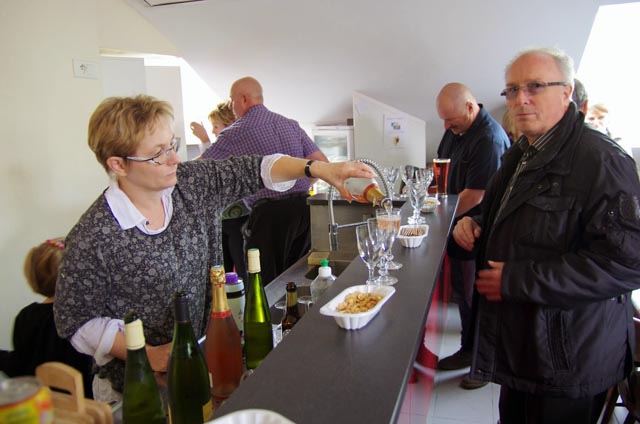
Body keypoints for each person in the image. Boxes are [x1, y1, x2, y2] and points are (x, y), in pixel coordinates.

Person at [53, 94, 373, 403]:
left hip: (200, 363)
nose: (174, 158)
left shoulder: (191, 184)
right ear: (118, 165)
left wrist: (320, 169)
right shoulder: (95, 235)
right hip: (135, 390)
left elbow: (257, 168)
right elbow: (77, 320)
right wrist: (147, 355)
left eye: (172, 145)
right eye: (158, 154)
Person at [452, 47, 640, 423]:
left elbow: (625, 264)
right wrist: (472, 223)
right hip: (525, 350)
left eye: (535, 86)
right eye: (512, 89)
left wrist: (518, 279)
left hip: (569, 358)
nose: (520, 99)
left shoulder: (602, 160)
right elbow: (505, 215)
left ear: (566, 92)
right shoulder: (522, 152)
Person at [201, 76, 329, 285]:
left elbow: (199, 170)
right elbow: (321, 164)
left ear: (243, 99)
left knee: (265, 282)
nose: (232, 107)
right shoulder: (290, 124)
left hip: (270, 216)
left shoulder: (234, 133)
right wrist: (299, 185)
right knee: (298, 275)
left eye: (232, 101)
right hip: (304, 209)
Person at [434, 83, 510, 390]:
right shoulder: (456, 129)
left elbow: (475, 195)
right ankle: (468, 350)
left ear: (469, 107)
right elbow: (441, 170)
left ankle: (484, 364)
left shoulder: (489, 139)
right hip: (458, 227)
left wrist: (440, 219)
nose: (446, 126)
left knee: (480, 299)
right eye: (443, 120)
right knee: (465, 296)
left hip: (480, 231)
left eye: (450, 120)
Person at [0, 238, 94, 398]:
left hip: (45, 404)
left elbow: (20, 366)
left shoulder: (26, 316)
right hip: (85, 405)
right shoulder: (83, 316)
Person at [192, 101, 249, 282]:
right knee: (221, 272)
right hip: (223, 219)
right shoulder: (227, 146)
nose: (214, 131)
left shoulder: (234, 146)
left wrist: (204, 141)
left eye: (216, 126)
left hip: (238, 218)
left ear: (230, 124)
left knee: (242, 270)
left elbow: (206, 165)